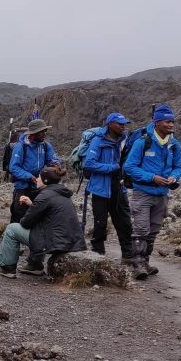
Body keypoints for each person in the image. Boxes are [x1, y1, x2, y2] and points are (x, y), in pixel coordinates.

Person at [123, 104, 181, 280]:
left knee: (153, 231)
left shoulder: (174, 144)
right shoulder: (143, 141)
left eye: (172, 121)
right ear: (157, 122)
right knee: (141, 229)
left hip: (162, 195)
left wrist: (174, 176)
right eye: (167, 121)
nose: (171, 125)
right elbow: (129, 167)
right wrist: (152, 178)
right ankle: (137, 265)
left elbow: (178, 166)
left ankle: (146, 262)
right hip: (143, 193)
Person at [0, 165, 85, 277]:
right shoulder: (63, 194)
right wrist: (32, 205)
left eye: (39, 177)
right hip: (70, 241)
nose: (36, 179)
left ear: (45, 180)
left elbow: (25, 222)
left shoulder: (44, 196)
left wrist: (32, 209)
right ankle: (34, 265)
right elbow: (49, 216)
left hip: (55, 242)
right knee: (40, 227)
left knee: (12, 229)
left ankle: (7, 267)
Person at [82, 112, 133, 261]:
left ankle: (128, 254)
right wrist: (111, 168)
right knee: (100, 223)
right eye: (119, 123)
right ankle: (98, 254)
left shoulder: (124, 140)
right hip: (100, 188)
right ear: (110, 124)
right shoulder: (98, 141)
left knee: (124, 221)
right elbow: (89, 163)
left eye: (124, 123)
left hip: (119, 187)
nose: (123, 126)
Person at [8, 118, 60, 223]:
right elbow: (13, 167)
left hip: (39, 188)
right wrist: (29, 176)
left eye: (45, 131)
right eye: (42, 132)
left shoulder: (46, 146)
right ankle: (15, 236)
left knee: (36, 216)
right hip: (22, 188)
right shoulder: (21, 146)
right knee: (19, 216)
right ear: (34, 133)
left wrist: (56, 165)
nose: (45, 134)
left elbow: (52, 160)